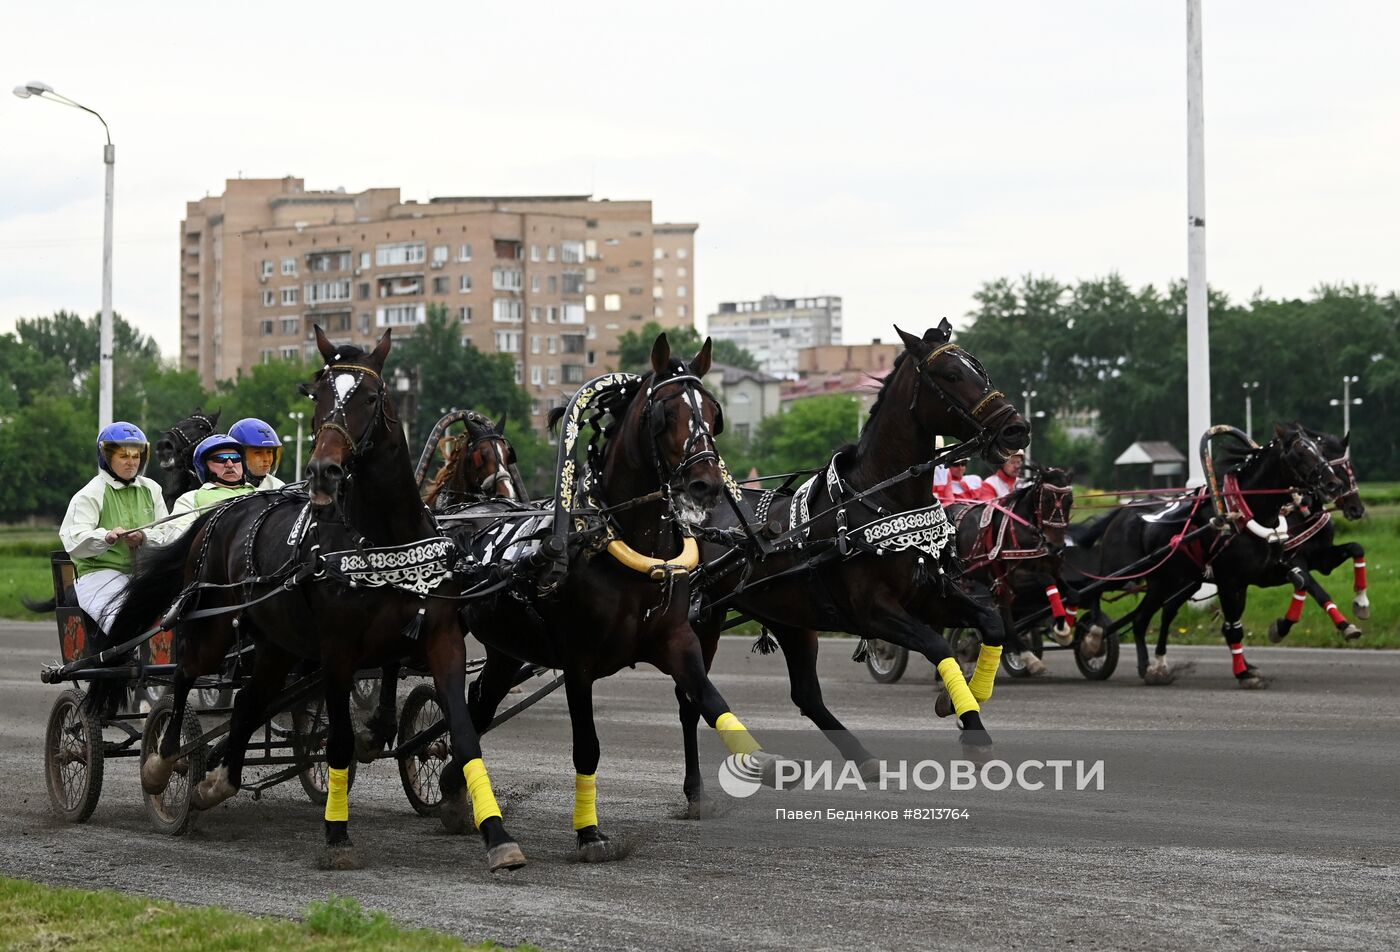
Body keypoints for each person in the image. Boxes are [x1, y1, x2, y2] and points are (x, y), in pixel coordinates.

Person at [59, 422, 169, 632]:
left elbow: (168, 533)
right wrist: (106, 537)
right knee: (126, 622)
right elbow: (72, 539)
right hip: (98, 576)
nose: (131, 463)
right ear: (106, 457)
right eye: (123, 456)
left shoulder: (152, 489)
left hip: (143, 575)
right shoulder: (90, 493)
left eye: (135, 456)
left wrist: (144, 537)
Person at [149, 434, 256, 543]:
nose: (230, 464)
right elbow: (174, 538)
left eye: (235, 459)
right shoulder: (191, 498)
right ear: (204, 467)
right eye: (220, 459)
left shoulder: (263, 492)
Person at [229, 417, 286, 490]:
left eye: (269, 452)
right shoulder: (223, 489)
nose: (266, 459)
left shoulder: (278, 487)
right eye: (258, 452)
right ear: (238, 456)